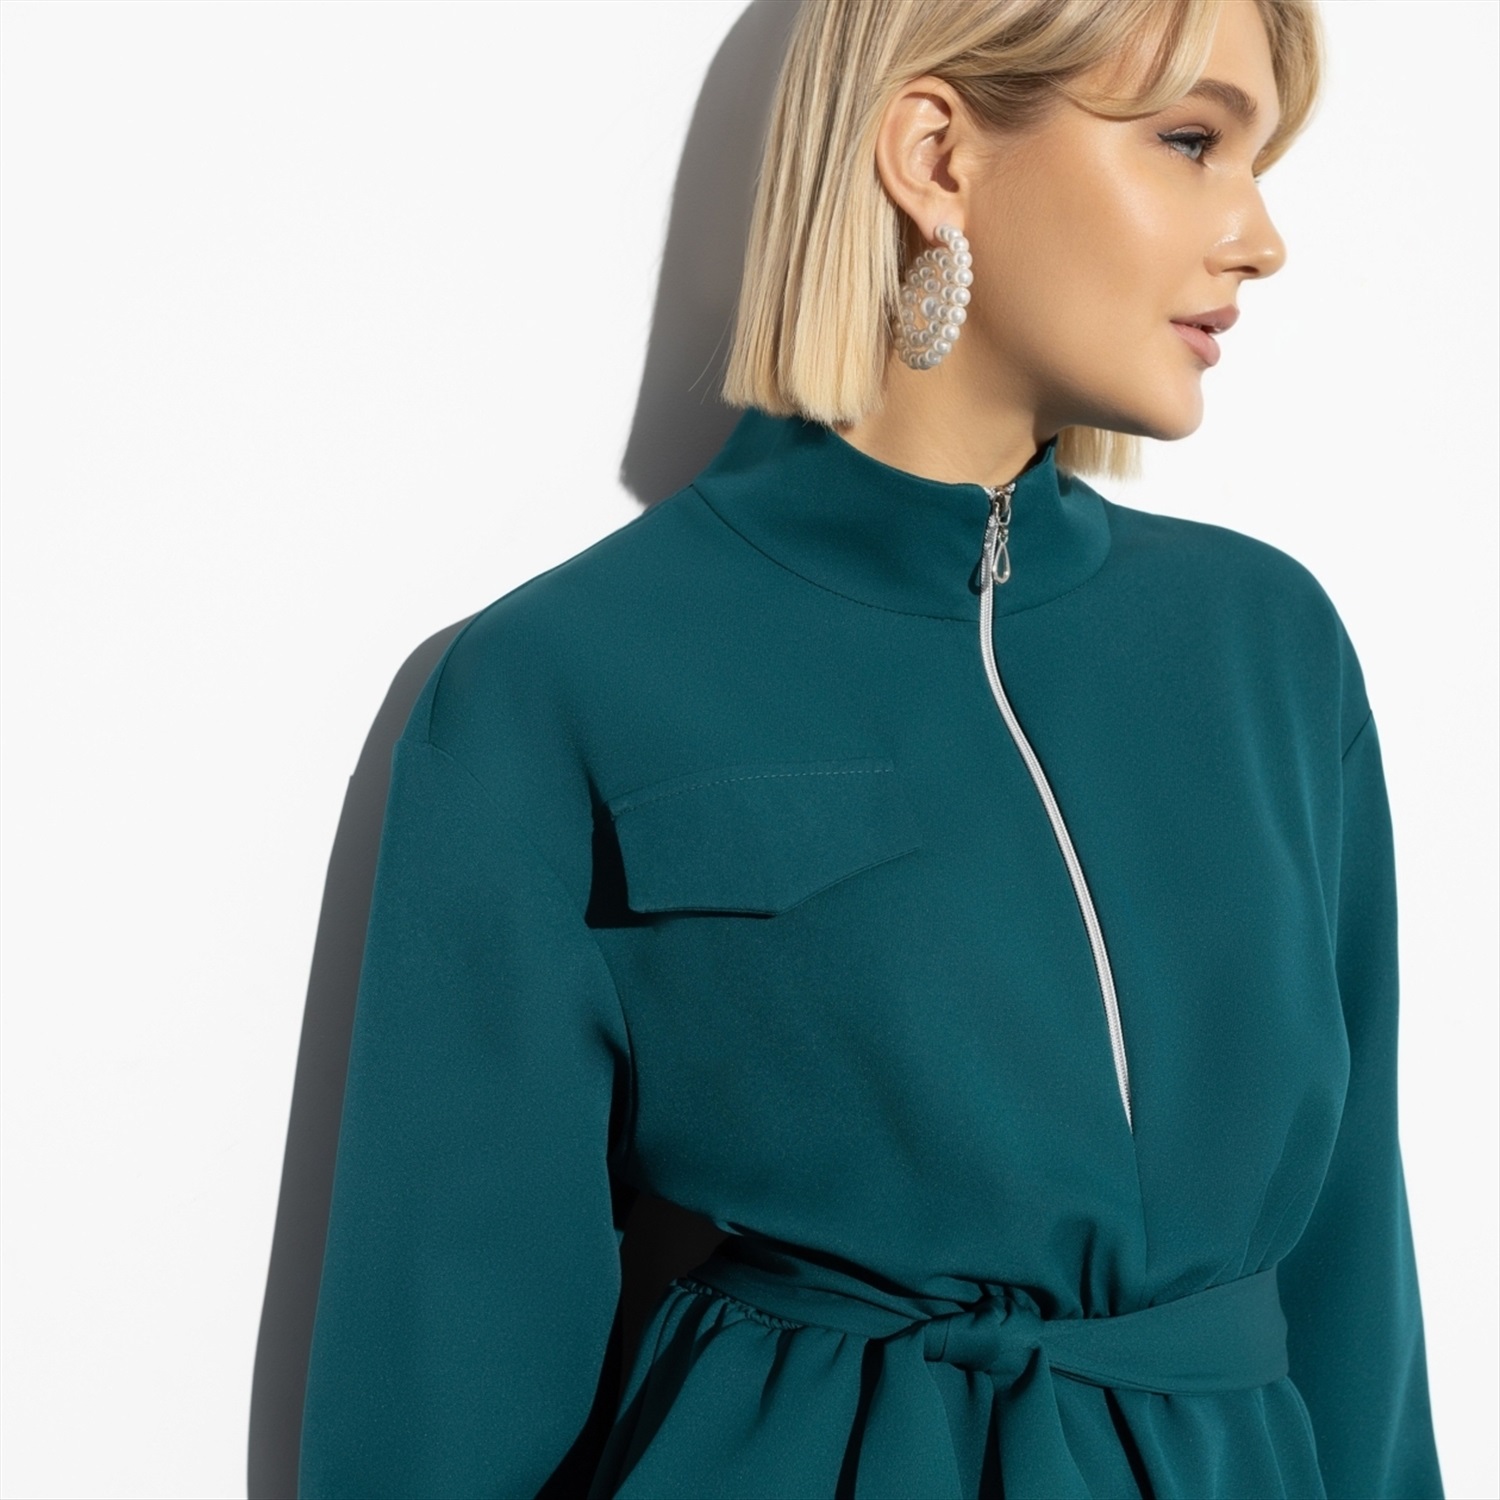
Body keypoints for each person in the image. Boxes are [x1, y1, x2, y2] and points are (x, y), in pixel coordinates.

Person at [297, 0, 1446, 1495]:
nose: (1260, 238)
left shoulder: (1266, 647)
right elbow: (450, 1347)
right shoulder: (567, 677)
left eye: (1257, 162)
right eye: (1189, 141)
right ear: (936, 153)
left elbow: (1354, 1270)